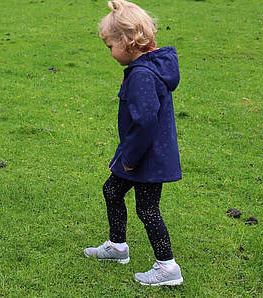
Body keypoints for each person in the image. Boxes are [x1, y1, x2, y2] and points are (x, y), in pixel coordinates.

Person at [83, 0, 183, 286]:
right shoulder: (151, 65)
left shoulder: (141, 75)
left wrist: (129, 158)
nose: (110, 53)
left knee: (147, 209)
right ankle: (117, 247)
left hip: (145, 155)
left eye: (110, 46)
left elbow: (145, 123)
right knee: (112, 190)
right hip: (141, 150)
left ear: (128, 42)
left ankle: (167, 267)